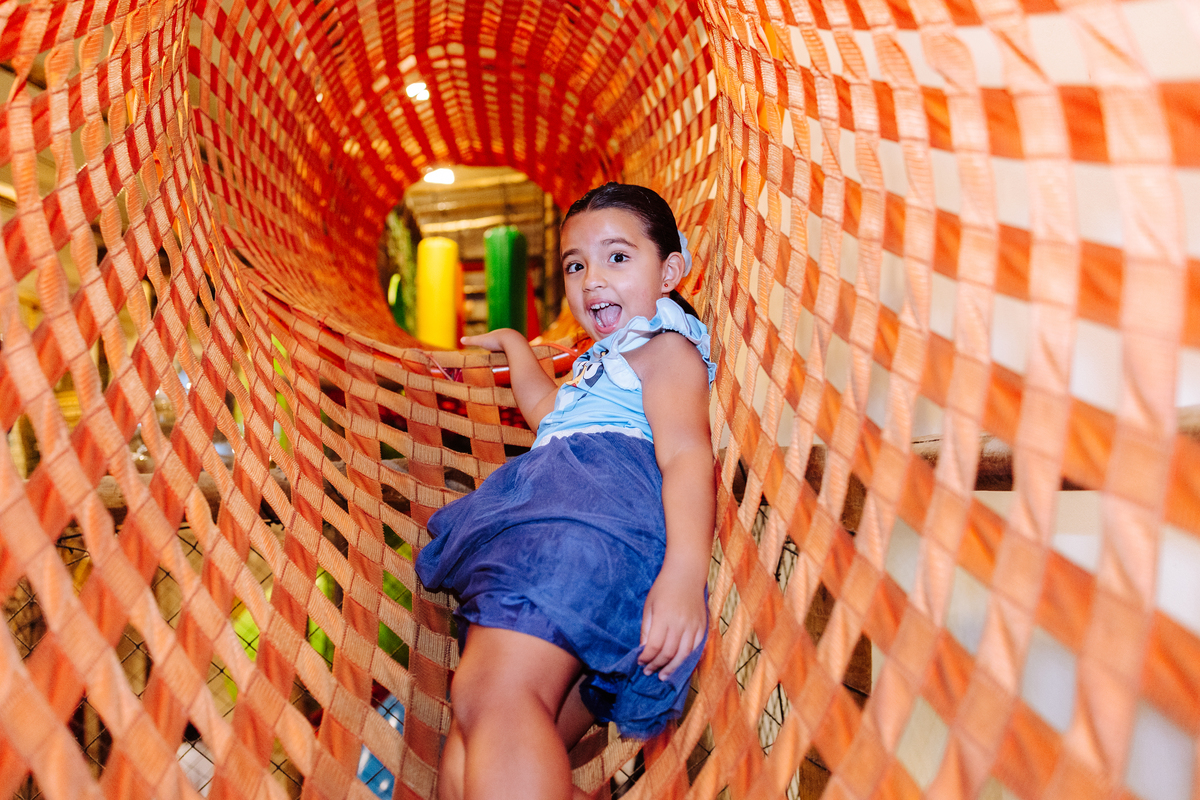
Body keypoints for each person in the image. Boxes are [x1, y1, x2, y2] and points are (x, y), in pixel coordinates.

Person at [415, 182, 717, 800]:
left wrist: (685, 575)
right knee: (473, 751)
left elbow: (688, 455)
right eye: (575, 265)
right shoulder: (604, 362)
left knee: (492, 697)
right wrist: (515, 347)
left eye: (617, 257)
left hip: (582, 528)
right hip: (576, 539)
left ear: (670, 272)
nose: (591, 279)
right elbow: (548, 413)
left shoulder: (663, 349)